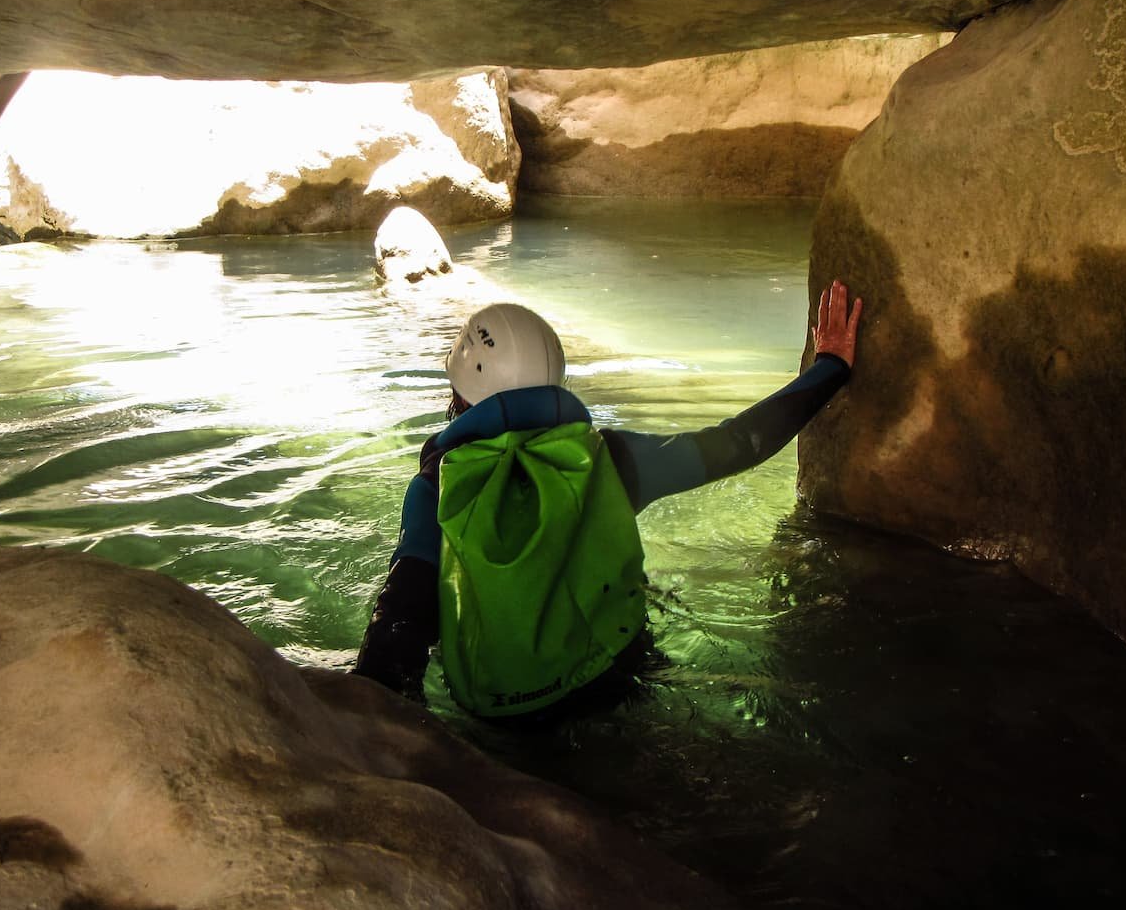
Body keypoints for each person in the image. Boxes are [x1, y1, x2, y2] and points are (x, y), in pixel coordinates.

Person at [353, 279, 863, 719]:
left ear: (459, 397)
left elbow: (401, 619)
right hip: (617, 675)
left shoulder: (435, 489)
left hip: (499, 714)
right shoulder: (610, 458)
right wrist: (832, 366)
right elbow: (739, 443)